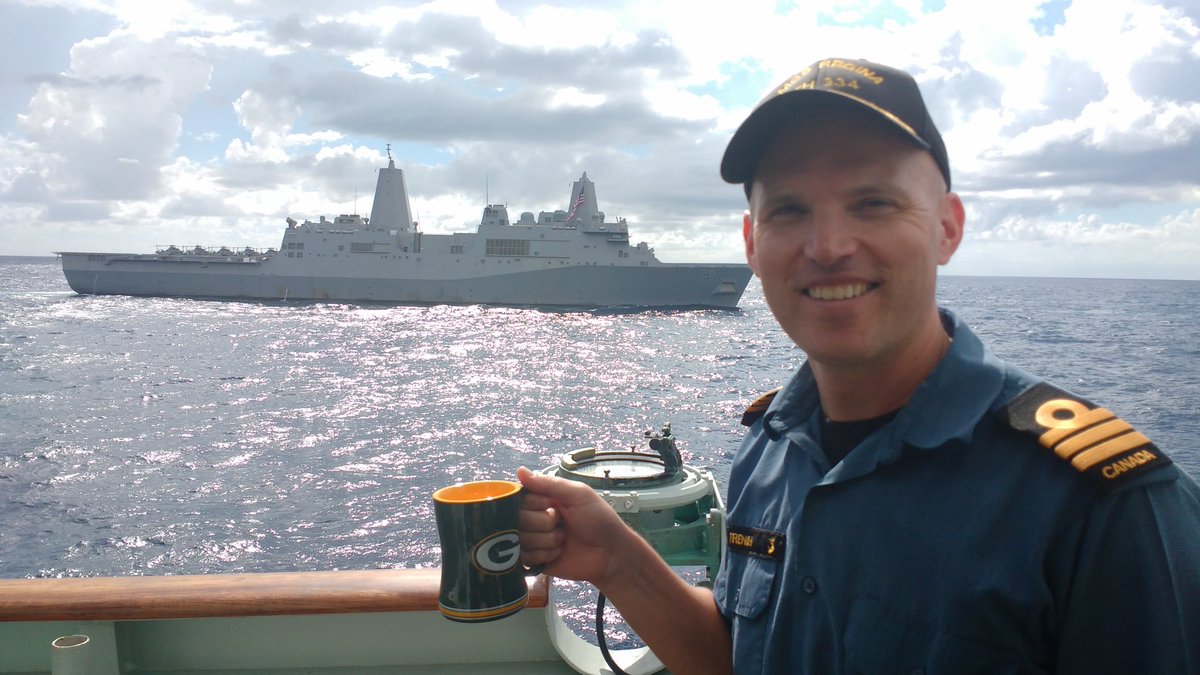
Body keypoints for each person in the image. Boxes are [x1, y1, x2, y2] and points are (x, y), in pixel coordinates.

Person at [518, 57, 1200, 674]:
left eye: (873, 202)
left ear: (947, 228)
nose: (829, 245)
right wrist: (615, 556)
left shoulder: (1104, 506)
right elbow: (738, 660)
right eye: (789, 209)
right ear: (754, 243)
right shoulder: (769, 450)